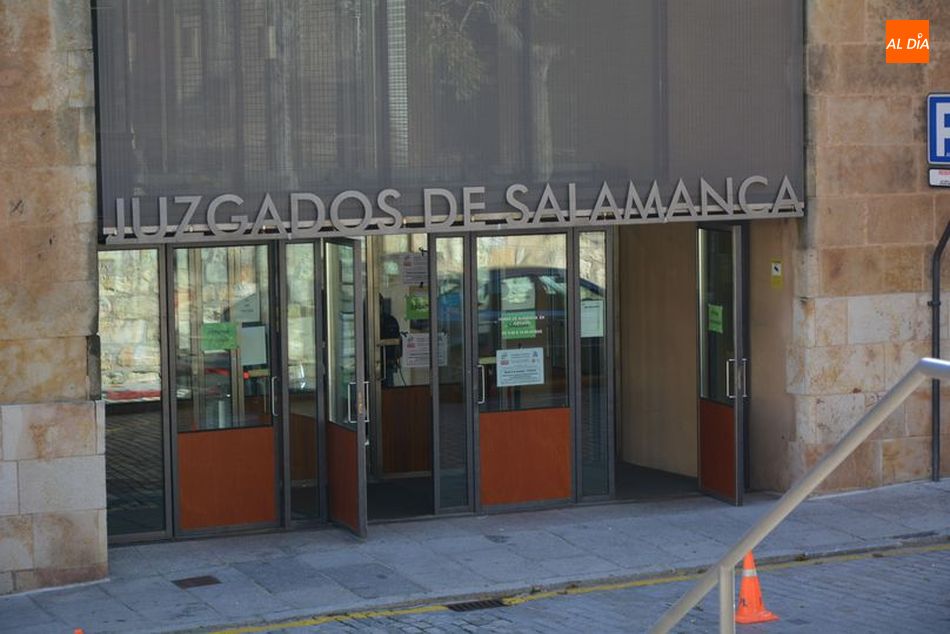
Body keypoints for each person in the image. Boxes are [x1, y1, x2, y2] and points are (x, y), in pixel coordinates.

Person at [379, 296, 401, 387]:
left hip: (388, 364)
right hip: (368, 366)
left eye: (379, 303)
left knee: (388, 391)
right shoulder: (363, 321)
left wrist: (395, 358)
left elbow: (397, 341)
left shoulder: (390, 320)